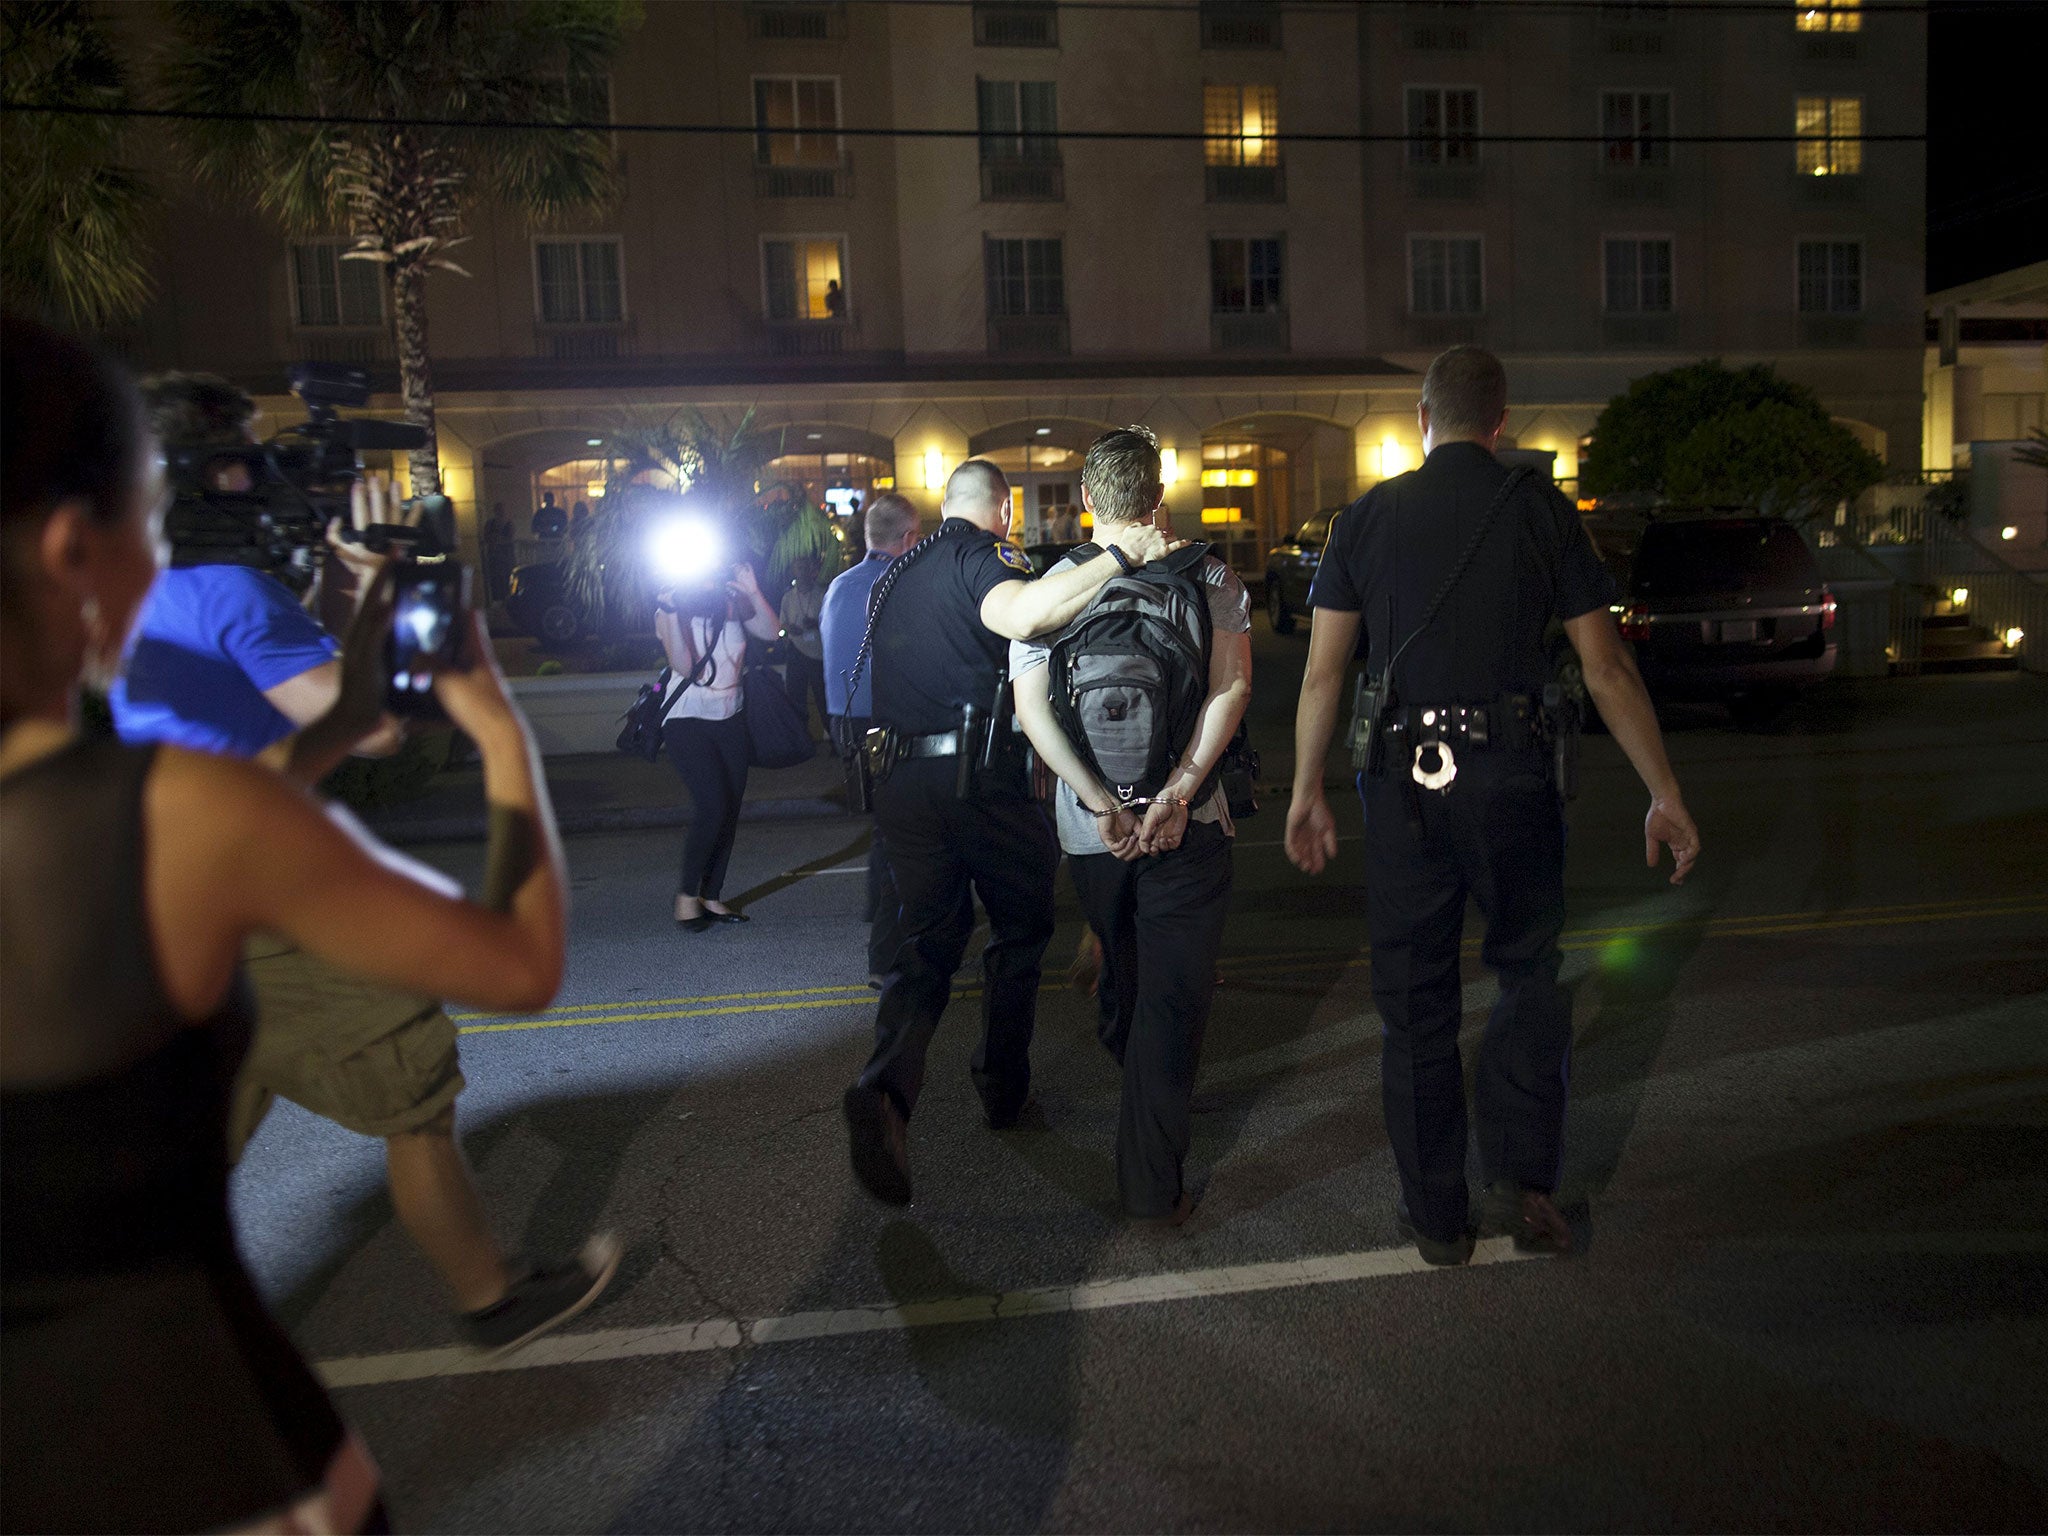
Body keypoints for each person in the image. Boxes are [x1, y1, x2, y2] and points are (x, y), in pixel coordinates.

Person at [0, 313, 570, 1532]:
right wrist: (496, 734)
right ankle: (488, 1293)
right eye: (143, 526)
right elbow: (518, 963)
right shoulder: (183, 817)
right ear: (68, 549)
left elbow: (311, 730)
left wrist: (351, 620)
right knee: (401, 1090)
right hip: (177, 1447)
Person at [109, 371, 617, 1353]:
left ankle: (119, 1337)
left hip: (159, 888)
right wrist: (397, 613)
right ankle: (490, 1299)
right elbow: (369, 727)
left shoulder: (132, 588)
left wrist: (341, 583)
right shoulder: (234, 593)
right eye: (248, 460)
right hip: (263, 893)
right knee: (410, 1091)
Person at [1284, 345, 1702, 1265]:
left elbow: (1323, 673)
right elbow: (1606, 667)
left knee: (1415, 1002)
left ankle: (1438, 1219)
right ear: (1501, 422)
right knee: (1526, 974)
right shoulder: (1542, 513)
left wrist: (1308, 788)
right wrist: (1662, 791)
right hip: (1513, 776)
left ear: (1422, 420)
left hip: (1402, 783)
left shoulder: (1363, 519)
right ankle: (1530, 1187)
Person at [839, 458, 1178, 1207]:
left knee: (926, 946)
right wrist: (1121, 554)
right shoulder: (981, 557)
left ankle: (885, 1092)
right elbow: (1024, 616)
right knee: (1019, 934)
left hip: (900, 785)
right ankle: (1001, 1089)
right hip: (980, 788)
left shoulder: (897, 572)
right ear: (1003, 507)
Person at [1010, 427, 1253, 1224]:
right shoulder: (1207, 575)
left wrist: (1097, 802)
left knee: (1127, 968)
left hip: (1093, 836)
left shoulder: (1050, 585)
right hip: (1191, 823)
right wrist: (1179, 791)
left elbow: (1033, 713)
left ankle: (1141, 1075)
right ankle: (1152, 1182)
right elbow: (1230, 690)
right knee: (1173, 998)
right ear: (1159, 497)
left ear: (1086, 501)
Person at [657, 541, 782, 931]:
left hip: (731, 716)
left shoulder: (732, 601)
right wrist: (675, 610)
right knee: (712, 803)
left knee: (729, 807)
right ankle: (685, 897)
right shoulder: (668, 606)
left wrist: (751, 589)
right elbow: (682, 665)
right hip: (686, 719)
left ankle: (712, 896)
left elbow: (771, 631)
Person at [778, 552, 829, 742]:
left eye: (804, 568)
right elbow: (781, 624)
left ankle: (832, 738)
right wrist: (788, 629)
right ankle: (800, 738)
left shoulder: (822, 595)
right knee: (795, 696)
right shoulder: (787, 598)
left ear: (811, 571)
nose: (801, 572)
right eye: (798, 568)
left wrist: (815, 624)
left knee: (822, 697)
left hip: (817, 653)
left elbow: (830, 623)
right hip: (795, 651)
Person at [482, 500, 515, 602]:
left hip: (506, 557)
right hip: (494, 557)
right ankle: (497, 600)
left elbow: (510, 537)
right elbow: (486, 536)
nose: (500, 512)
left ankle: (508, 599)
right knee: (495, 580)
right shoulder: (490, 523)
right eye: (498, 510)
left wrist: (498, 540)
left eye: (501, 510)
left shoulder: (509, 524)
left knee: (507, 578)